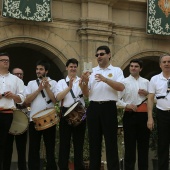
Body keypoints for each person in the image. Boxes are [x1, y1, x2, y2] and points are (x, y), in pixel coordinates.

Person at [80, 45, 125, 170]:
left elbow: (121, 87)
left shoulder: (116, 70)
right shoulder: (91, 71)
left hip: (109, 107)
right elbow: (86, 93)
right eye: (97, 55)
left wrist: (105, 79)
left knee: (111, 142)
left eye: (102, 54)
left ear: (109, 55)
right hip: (94, 107)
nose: (99, 56)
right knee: (94, 142)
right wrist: (83, 82)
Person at [24, 60, 58, 170]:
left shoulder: (53, 83)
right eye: (37, 69)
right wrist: (39, 89)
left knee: (50, 147)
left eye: (41, 69)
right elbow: (27, 101)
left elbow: (54, 100)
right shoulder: (31, 83)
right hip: (34, 119)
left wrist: (47, 87)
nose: (38, 71)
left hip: (49, 119)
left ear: (46, 71)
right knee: (34, 148)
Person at [117, 59, 150, 170]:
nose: (133, 68)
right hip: (129, 115)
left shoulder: (146, 82)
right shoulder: (124, 82)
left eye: (136, 66)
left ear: (140, 69)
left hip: (143, 115)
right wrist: (126, 105)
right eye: (131, 66)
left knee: (143, 146)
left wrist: (147, 94)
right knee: (129, 146)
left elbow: (153, 100)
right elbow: (116, 100)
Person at [56, 58, 86, 170]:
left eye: (75, 67)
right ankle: (63, 167)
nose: (73, 69)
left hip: (79, 112)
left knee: (79, 143)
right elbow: (58, 97)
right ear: (66, 68)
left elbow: (87, 95)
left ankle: (79, 167)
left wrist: (84, 83)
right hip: (65, 112)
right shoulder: (61, 82)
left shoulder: (81, 81)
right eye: (71, 66)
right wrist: (69, 87)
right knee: (64, 144)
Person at [0, 52, 25, 170]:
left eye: (7, 60)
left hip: (8, 114)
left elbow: (22, 98)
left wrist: (13, 96)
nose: (5, 62)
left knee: (7, 145)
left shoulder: (16, 80)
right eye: (3, 60)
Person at [147, 54, 170, 170]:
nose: (167, 64)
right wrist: (150, 117)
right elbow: (150, 99)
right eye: (164, 62)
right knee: (163, 146)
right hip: (162, 115)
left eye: (169, 61)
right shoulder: (155, 79)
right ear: (160, 65)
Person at [3, 68, 28, 170]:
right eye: (16, 74)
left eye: (21, 74)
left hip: (22, 121)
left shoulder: (25, 88)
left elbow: (26, 102)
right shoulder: (7, 86)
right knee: (6, 149)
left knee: (21, 149)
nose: (19, 76)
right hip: (7, 120)